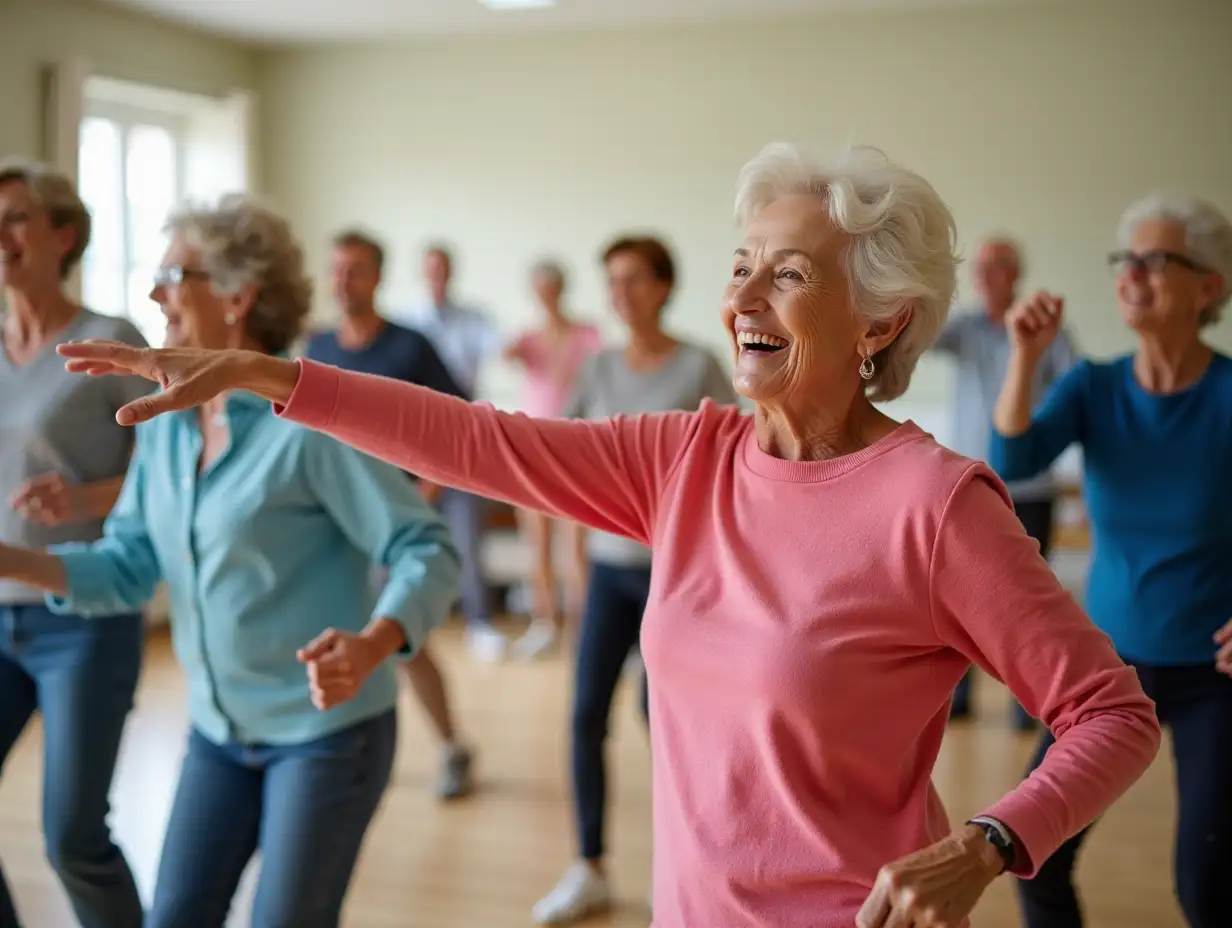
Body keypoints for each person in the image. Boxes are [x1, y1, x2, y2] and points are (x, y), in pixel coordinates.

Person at [57, 142, 1162, 928]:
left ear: (879, 320)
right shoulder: (686, 457)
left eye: (786, 273)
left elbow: (1110, 715)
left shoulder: (931, 502)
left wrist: (985, 847)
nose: (744, 296)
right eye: (740, 267)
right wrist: (268, 373)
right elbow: (480, 444)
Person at [6, 193, 460, 928]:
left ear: (238, 296)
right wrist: (11, 562)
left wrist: (376, 640)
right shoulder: (165, 426)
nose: (154, 293)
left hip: (325, 738)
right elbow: (126, 566)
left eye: (173, 275)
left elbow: (425, 546)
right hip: (218, 733)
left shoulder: (308, 425)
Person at [988, 194, 1232, 928]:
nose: (1132, 275)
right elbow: (1014, 457)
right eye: (1125, 261)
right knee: (1035, 860)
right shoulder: (1094, 386)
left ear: (1209, 287)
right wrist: (1025, 355)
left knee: (1208, 890)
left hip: (1214, 680)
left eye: (1156, 260)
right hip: (1106, 675)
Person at [533, 236, 738, 923]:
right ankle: (589, 863)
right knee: (586, 714)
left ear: (663, 287)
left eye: (632, 280)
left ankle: (682, 867)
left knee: (665, 723)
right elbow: (567, 467)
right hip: (610, 576)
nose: (619, 293)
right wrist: (574, 564)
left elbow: (732, 469)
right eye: (611, 281)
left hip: (676, 582)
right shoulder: (595, 371)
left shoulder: (699, 365)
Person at [0, 160, 148, 928]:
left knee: (72, 838)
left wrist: (87, 497)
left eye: (18, 217)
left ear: (65, 234)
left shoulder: (109, 341)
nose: (2, 233)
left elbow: (179, 471)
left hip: (80, 617)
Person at [304, 228, 476, 800]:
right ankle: (329, 746)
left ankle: (451, 746)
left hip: (391, 525)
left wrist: (423, 493)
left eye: (354, 269)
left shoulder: (410, 347)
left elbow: (458, 424)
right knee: (329, 636)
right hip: (330, 528)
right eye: (335, 269)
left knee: (404, 640)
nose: (342, 281)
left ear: (377, 277)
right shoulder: (316, 349)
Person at [932, 236, 1077, 730]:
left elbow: (1069, 393)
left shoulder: (1050, 331)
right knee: (961, 595)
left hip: (1031, 486)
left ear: (1016, 275)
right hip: (968, 484)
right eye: (980, 269)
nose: (986, 277)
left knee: (1027, 602)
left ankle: (1025, 703)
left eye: (996, 268)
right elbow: (915, 333)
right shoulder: (963, 329)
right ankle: (961, 699)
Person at [398, 243, 506, 662]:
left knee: (467, 536)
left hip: (462, 442)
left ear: (451, 272)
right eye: (430, 269)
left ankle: (480, 622)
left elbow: (501, 349)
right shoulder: (406, 324)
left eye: (443, 268)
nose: (436, 276)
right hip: (413, 446)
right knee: (407, 536)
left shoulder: (475, 320)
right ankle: (404, 621)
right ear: (422, 273)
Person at [502, 259, 602, 661]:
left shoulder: (587, 334)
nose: (546, 294)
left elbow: (598, 375)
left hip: (574, 447)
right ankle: (544, 624)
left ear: (561, 288)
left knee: (575, 546)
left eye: (551, 286)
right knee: (537, 542)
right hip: (531, 444)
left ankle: (584, 628)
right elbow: (504, 355)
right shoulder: (527, 338)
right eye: (539, 288)